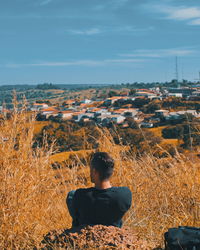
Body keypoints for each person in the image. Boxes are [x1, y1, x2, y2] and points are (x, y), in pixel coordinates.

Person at [66, 152, 132, 228]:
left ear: (94, 172)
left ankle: (77, 228)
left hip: (87, 230)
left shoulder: (80, 195)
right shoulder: (125, 194)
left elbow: (73, 198)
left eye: (90, 170)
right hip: (112, 232)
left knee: (71, 195)